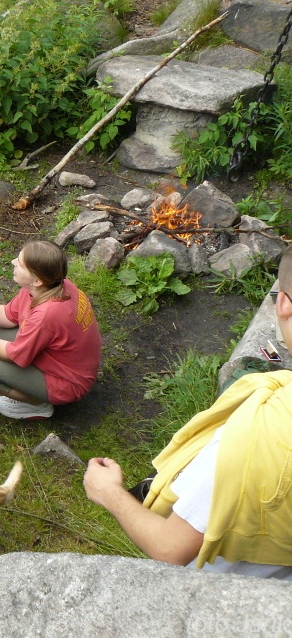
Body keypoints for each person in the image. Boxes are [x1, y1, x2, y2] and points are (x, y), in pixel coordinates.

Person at [83, 246, 292, 581]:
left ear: (283, 303)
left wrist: (109, 492)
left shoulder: (253, 438)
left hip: (230, 589)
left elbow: (170, 547)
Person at [0, 239, 101, 420]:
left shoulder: (46, 315)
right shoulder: (50, 285)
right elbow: (8, 316)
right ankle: (32, 386)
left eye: (20, 264)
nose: (13, 262)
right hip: (60, 357)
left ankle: (38, 404)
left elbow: (13, 355)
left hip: (68, 381)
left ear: (37, 280)